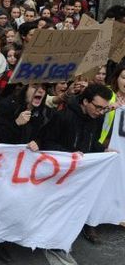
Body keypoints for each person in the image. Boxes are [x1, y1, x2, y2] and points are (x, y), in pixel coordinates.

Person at [40, 83, 113, 244]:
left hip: (81, 172)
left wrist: (103, 150)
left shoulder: (97, 118)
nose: (101, 112)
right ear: (85, 101)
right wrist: (69, 155)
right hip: (62, 172)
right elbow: (47, 143)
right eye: (98, 107)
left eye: (104, 109)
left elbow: (92, 142)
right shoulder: (62, 116)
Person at [0, 83, 53, 149]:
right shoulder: (7, 106)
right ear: (24, 89)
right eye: (35, 86)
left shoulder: (45, 113)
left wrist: (38, 143)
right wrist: (16, 123)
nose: (41, 91)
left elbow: (48, 139)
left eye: (43, 88)